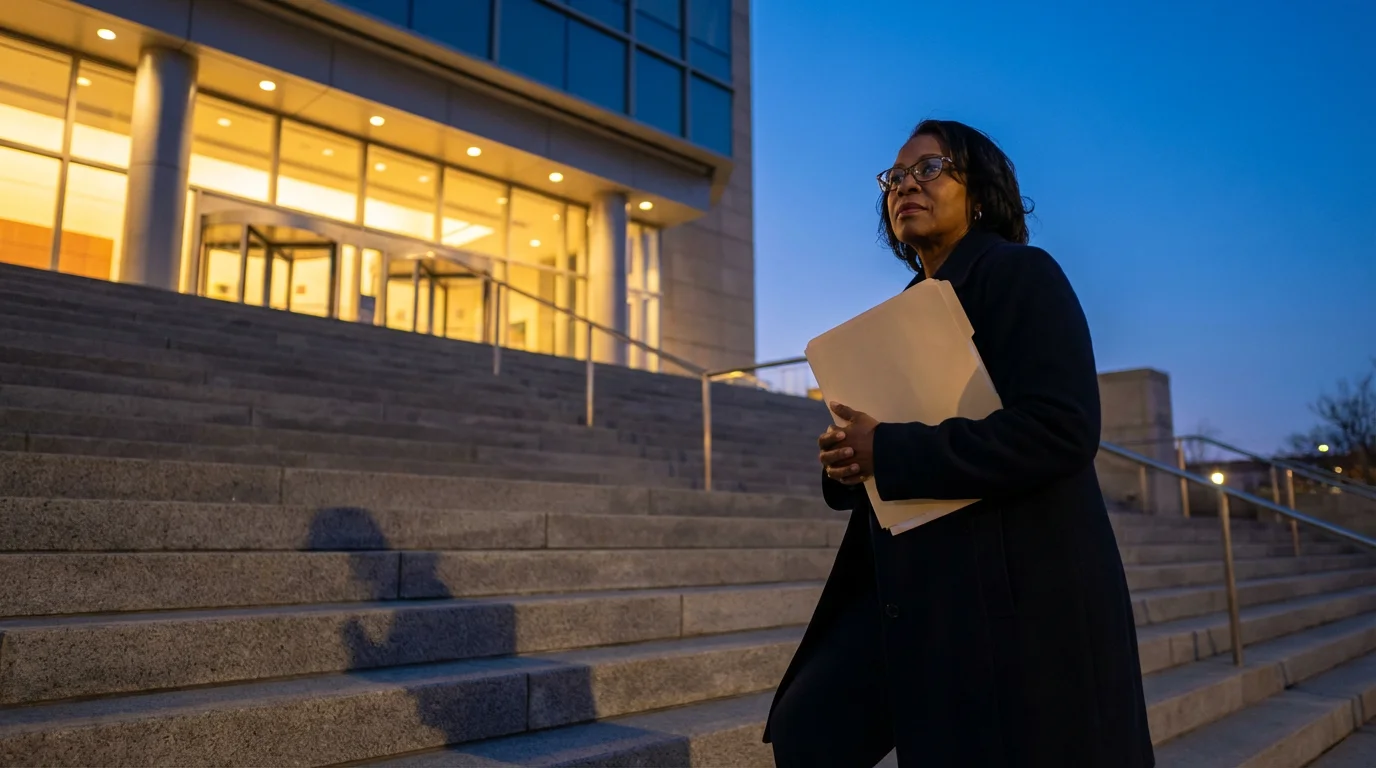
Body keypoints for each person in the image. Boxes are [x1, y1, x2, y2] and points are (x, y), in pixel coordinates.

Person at [762, 120, 1154, 768]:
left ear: (979, 192)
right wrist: (845, 459)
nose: (904, 185)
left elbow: (1063, 428)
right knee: (806, 729)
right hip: (917, 592)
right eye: (894, 177)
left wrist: (884, 451)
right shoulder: (907, 310)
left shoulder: (1022, 274)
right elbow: (889, 439)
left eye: (929, 169)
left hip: (1014, 590)